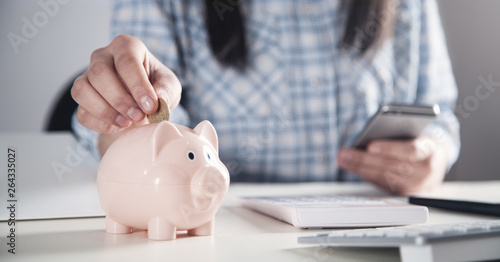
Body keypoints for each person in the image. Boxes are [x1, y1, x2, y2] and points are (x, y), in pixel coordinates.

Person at [71, 0, 460, 194]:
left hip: (382, 238)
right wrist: (123, 114)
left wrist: (433, 156)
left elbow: (441, 118)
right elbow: (140, 134)